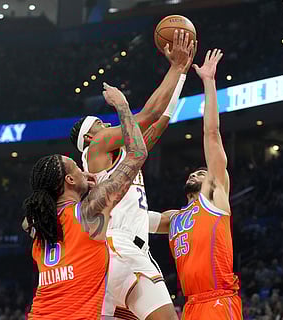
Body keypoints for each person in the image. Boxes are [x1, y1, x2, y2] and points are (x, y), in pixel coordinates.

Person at [70, 30, 195, 320]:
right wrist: (174, 67)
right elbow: (146, 116)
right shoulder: (96, 149)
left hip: (114, 257)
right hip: (122, 251)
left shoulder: (123, 163)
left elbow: (160, 122)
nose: (109, 125)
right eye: (102, 123)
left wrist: (181, 74)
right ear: (90, 137)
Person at [23, 83, 148, 319]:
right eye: (77, 169)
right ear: (69, 179)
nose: (84, 170)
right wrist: (122, 105)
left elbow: (27, 221)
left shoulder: (38, 222)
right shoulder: (90, 211)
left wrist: (76, 187)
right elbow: (138, 154)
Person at [150, 49, 242, 319]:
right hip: (190, 305)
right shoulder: (174, 219)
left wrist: (209, 82)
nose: (197, 173)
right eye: (197, 172)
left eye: (203, 172)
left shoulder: (213, 198)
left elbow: (211, 134)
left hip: (218, 301)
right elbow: (136, 218)